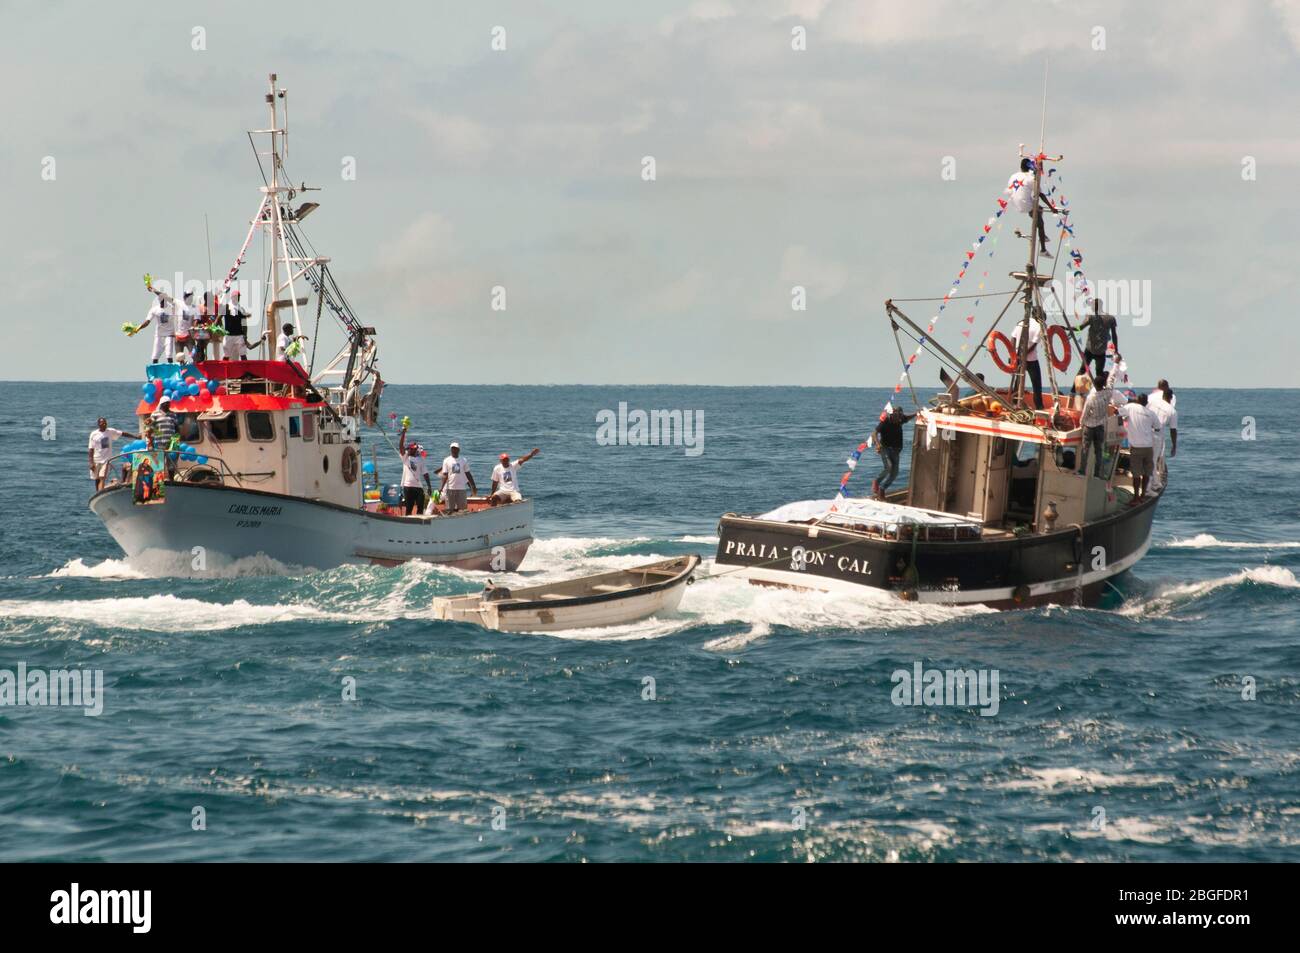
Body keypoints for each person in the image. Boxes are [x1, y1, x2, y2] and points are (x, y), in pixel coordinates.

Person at [1007, 158, 1056, 259]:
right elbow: (1041, 195)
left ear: (1021, 167)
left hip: (1014, 203)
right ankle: (1043, 250)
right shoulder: (1031, 178)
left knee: (1038, 208)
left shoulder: (1014, 176)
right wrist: (1052, 208)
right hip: (1025, 204)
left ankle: (1040, 229)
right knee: (1040, 221)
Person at [1076, 370, 1122, 478]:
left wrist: (1081, 423)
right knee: (1099, 451)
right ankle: (1097, 474)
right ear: (1103, 384)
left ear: (1094, 385)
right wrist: (1115, 367)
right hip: (1100, 427)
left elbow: (1085, 413)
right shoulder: (1108, 393)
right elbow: (1110, 382)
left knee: (1085, 449)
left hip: (1089, 426)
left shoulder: (1091, 398)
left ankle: (1082, 471)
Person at [1117, 394, 1161, 502]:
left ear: (1137, 400)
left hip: (1136, 447)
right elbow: (1158, 428)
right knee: (1147, 472)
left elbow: (1117, 412)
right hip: (1148, 447)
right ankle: (1143, 495)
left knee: (1136, 474)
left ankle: (1136, 496)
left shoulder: (1130, 407)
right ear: (1146, 403)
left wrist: (1121, 426)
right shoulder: (1151, 414)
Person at [871, 407, 915, 500]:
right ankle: (876, 481)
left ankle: (882, 489)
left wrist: (917, 413)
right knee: (889, 467)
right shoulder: (885, 422)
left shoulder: (900, 419)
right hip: (885, 448)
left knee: (894, 473)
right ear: (891, 415)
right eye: (895, 416)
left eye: (899, 416)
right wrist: (877, 445)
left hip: (896, 450)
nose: (898, 419)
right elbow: (874, 433)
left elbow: (908, 417)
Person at [87, 417, 140, 492]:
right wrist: (91, 462)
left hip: (106, 460)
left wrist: (135, 436)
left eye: (105, 423)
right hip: (96, 460)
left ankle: (100, 493)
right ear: (98, 424)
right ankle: (98, 494)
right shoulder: (94, 434)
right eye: (102, 423)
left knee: (102, 477)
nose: (104, 424)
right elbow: (91, 449)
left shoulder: (110, 431)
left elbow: (123, 433)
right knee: (97, 479)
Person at [1075, 299, 1119, 382]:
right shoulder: (1095, 317)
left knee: (1092, 372)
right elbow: (1080, 327)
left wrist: (1070, 328)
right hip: (1095, 350)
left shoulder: (1108, 318)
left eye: (1092, 306)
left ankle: (1098, 390)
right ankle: (1074, 391)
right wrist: (1070, 328)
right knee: (1088, 371)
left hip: (1097, 351)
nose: (1091, 307)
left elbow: (1114, 335)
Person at [1149, 382, 1179, 492]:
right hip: (1157, 434)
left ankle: (1154, 482)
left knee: (1148, 458)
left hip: (1146, 431)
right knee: (1153, 460)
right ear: (1171, 398)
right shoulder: (1172, 411)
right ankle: (1151, 486)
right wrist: (1174, 445)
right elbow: (1173, 430)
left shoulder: (1153, 402)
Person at [396, 425, 432, 515]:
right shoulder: (405, 458)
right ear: (409, 449)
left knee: (420, 506)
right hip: (408, 487)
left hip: (418, 486)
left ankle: (419, 523)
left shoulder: (420, 460)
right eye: (412, 448)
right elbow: (400, 446)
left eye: (415, 448)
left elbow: (425, 473)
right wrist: (403, 433)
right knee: (409, 508)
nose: (414, 449)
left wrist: (429, 486)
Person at [1010, 315, 1044, 409]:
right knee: (1036, 384)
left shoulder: (1021, 323)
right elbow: (1033, 345)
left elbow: (1013, 338)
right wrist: (1023, 354)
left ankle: (1014, 402)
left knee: (1018, 381)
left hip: (1018, 358)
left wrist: (1013, 354)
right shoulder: (1039, 326)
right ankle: (1039, 406)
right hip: (1031, 360)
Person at [138, 291, 177, 364]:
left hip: (169, 335)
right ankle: (155, 373)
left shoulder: (172, 307)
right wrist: (138, 328)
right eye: (160, 299)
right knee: (155, 356)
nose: (161, 301)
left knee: (169, 355)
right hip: (159, 335)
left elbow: (173, 300)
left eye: (163, 299)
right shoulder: (154, 309)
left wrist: (153, 289)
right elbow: (147, 321)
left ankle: (171, 372)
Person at [438, 442, 478, 513]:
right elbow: (445, 475)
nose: (453, 450)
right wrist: (441, 487)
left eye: (455, 448)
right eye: (452, 448)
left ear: (458, 450)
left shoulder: (463, 460)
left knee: (462, 509)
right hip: (450, 488)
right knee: (450, 509)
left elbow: (468, 474)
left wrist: (473, 486)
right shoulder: (446, 460)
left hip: (461, 488)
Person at [149, 396, 180, 480]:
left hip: (171, 443)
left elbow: (177, 428)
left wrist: (176, 442)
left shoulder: (173, 414)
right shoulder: (155, 414)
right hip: (159, 443)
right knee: (159, 464)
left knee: (171, 464)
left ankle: (171, 481)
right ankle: (158, 484)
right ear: (162, 404)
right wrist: (151, 442)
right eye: (167, 403)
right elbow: (150, 429)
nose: (168, 405)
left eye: (169, 403)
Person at [222, 289, 253, 360]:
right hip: (228, 336)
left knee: (243, 354)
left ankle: (245, 369)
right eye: (236, 297)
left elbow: (244, 324)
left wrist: (245, 335)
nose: (238, 298)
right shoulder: (226, 307)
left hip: (239, 336)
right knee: (226, 355)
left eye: (238, 297)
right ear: (232, 297)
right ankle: (223, 369)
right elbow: (219, 318)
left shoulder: (241, 309)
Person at [174, 290, 199, 364]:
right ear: (185, 297)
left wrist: (193, 328)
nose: (190, 298)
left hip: (189, 336)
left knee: (194, 355)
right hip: (178, 336)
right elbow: (167, 297)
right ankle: (182, 369)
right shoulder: (179, 303)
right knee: (179, 357)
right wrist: (153, 289)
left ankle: (195, 369)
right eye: (188, 296)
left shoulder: (194, 307)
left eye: (191, 296)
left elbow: (196, 320)